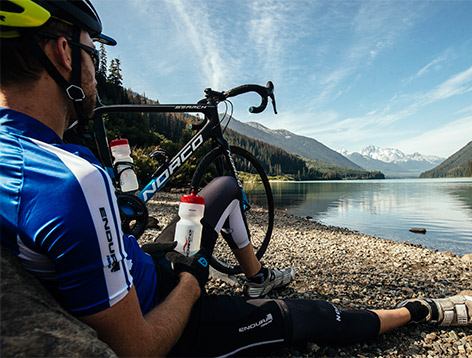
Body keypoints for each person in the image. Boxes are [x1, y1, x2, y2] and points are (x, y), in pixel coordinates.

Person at [0, 1, 470, 357]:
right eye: (91, 53)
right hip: (162, 318)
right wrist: (192, 278)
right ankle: (421, 310)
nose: (95, 72)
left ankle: (257, 278)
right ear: (64, 53)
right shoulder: (71, 181)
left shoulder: (23, 158)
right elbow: (138, 349)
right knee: (310, 314)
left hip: (134, 270)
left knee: (223, 189)